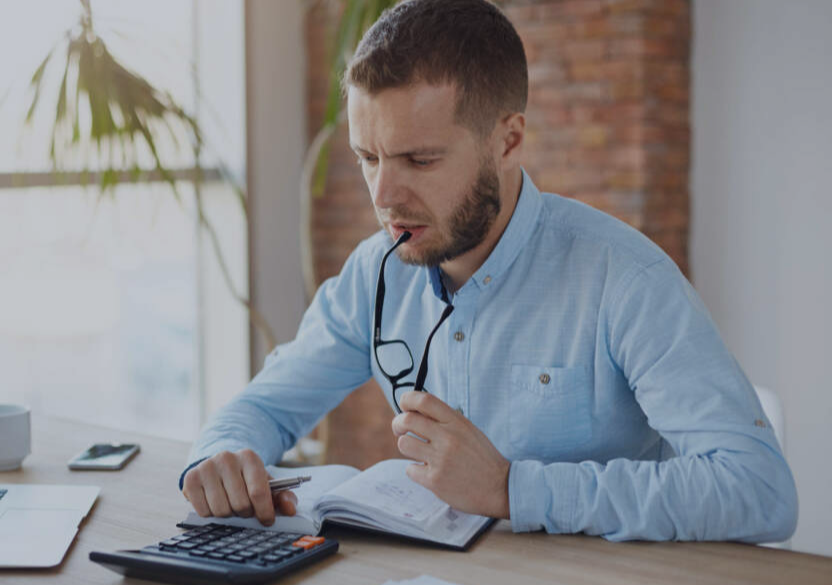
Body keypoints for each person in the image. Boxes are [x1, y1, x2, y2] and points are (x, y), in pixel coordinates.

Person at [179, 0, 797, 542]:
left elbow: (759, 490)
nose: (384, 195)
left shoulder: (625, 280)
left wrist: (511, 489)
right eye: (368, 157)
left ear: (508, 141)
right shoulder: (375, 274)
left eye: (420, 160)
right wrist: (221, 458)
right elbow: (262, 409)